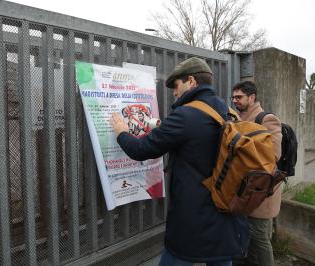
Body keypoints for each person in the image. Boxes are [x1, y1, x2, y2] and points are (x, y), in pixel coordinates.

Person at [111, 57, 249, 266]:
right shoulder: (227, 111)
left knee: (174, 259)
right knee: (221, 257)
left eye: (176, 86)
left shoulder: (185, 115)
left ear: (191, 81)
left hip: (193, 215)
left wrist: (121, 132)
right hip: (226, 207)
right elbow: (199, 143)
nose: (174, 92)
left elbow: (140, 150)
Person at [231, 81, 282, 266]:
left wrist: (241, 147)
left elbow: (274, 153)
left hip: (261, 191)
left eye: (239, 97)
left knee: (260, 237)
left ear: (252, 97)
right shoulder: (237, 118)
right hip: (245, 190)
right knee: (248, 235)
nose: (235, 100)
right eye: (233, 97)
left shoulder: (266, 119)